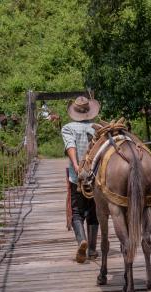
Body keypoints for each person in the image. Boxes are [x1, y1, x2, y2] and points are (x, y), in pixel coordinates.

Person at [61, 96, 100, 264]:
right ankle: (91, 249)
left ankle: (81, 241)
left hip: (77, 176)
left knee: (77, 212)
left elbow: (71, 146)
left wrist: (76, 165)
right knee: (94, 212)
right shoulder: (97, 128)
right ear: (89, 112)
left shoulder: (68, 128)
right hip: (97, 177)